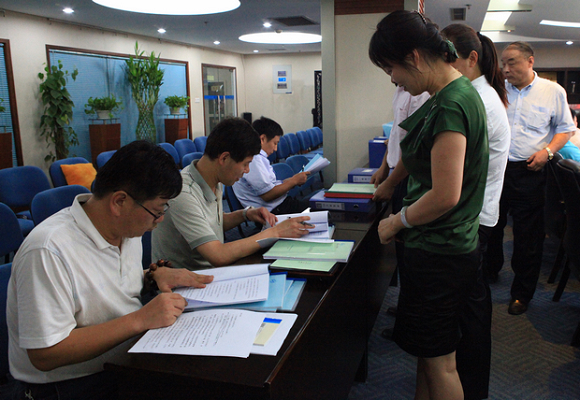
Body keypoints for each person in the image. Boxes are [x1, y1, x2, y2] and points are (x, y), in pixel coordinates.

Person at [7, 140, 214, 400]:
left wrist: (152, 276)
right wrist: (140, 319)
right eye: (157, 211)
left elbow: (104, 284)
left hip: (125, 358)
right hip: (68, 386)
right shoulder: (48, 250)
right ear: (119, 201)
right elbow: (45, 354)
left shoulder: (126, 227)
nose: (160, 220)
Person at [369, 10, 489, 400]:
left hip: (441, 251)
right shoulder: (448, 95)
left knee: (441, 363)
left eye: (391, 68)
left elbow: (445, 195)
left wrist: (397, 222)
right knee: (428, 352)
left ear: (414, 57)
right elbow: (417, 150)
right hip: (440, 247)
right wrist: (391, 184)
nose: (393, 79)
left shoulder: (452, 103)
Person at [441, 24, 510, 400]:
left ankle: (470, 387)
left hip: (472, 217)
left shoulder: (475, 100)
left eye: (448, 60)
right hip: (478, 212)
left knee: (470, 310)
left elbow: (454, 177)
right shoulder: (477, 94)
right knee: (472, 305)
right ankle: (469, 384)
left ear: (471, 59)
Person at [152, 117, 312, 271]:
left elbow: (213, 222)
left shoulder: (214, 177)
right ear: (224, 158)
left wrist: (246, 214)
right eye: (245, 164)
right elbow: (218, 255)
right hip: (189, 280)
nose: (247, 170)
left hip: (212, 271)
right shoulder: (183, 193)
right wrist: (275, 232)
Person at [487, 41, 576, 315]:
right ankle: (490, 271)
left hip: (530, 170)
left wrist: (547, 152)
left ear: (530, 61)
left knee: (528, 237)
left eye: (511, 62)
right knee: (491, 226)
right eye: (503, 63)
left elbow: (565, 129)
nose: (505, 69)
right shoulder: (497, 90)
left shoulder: (553, 91)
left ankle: (521, 294)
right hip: (496, 169)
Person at [233, 116, 310, 214]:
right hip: (274, 211)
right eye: (275, 143)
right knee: (321, 207)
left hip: (280, 206)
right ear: (263, 139)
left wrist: (292, 180)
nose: (275, 149)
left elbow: (271, 185)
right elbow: (268, 195)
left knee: (318, 204)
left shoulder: (259, 158)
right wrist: (293, 181)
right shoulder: (254, 160)